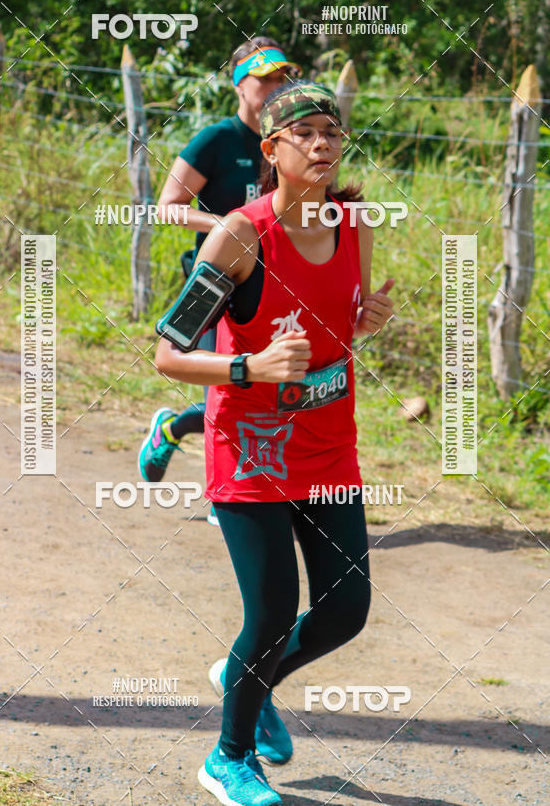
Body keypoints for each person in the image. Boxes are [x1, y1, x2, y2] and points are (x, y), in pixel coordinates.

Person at [154, 79, 395, 806]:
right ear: (272, 148)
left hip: (328, 448)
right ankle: (230, 758)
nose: (322, 144)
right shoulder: (239, 234)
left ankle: (244, 682)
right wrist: (247, 366)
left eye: (332, 131)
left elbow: (330, 327)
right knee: (269, 612)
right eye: (306, 133)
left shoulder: (354, 223)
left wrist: (364, 323)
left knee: (346, 607)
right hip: (252, 449)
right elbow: (167, 352)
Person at [138, 37, 300, 526]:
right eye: (265, 78)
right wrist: (231, 228)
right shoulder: (216, 140)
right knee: (222, 383)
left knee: (261, 384)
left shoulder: (294, 139)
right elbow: (167, 208)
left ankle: (173, 427)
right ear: (239, 84)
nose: (276, 86)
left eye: (282, 76)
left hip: (276, 282)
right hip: (217, 282)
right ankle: (225, 492)